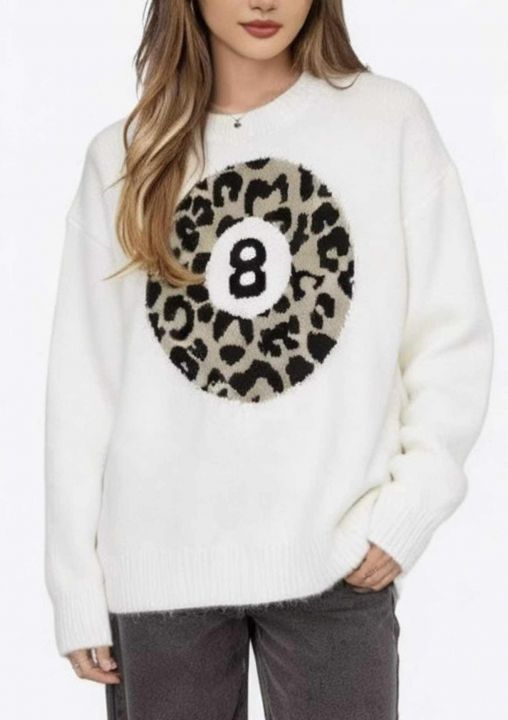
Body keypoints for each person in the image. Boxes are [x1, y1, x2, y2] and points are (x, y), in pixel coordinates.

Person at [43, 1, 494, 718]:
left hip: (335, 559)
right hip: (158, 570)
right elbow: (83, 388)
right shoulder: (125, 156)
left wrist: (409, 509)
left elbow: (450, 336)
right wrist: (76, 585)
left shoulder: (387, 123)